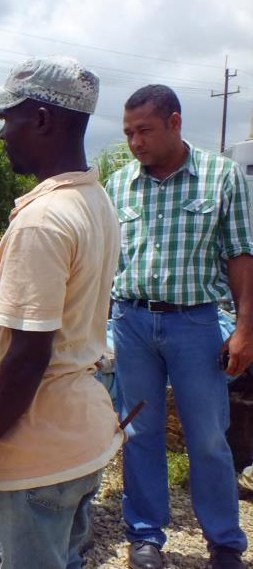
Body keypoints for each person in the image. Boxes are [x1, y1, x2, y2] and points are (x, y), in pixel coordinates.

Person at [0, 56, 122, 569]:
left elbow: (28, 357)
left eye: (7, 117)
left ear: (40, 119)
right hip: (82, 438)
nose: (1, 132)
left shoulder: (43, 220)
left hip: (39, 455)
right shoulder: (95, 200)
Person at [106, 84, 251, 569]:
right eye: (128, 133)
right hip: (131, 323)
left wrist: (246, 328)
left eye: (144, 130)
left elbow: (241, 255)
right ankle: (146, 536)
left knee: (207, 436)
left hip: (196, 324)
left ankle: (225, 543)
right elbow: (105, 261)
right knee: (140, 432)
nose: (135, 142)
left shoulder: (222, 176)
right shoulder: (119, 184)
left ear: (174, 122)